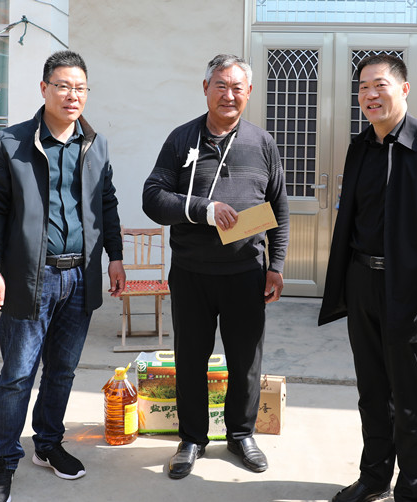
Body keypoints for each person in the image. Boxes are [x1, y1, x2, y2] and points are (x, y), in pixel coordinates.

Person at [0, 50, 126, 502]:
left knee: (62, 370)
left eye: (80, 88)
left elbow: (107, 204)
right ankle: (4, 461)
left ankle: (47, 443)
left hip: (80, 277)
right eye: (63, 86)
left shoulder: (95, 144)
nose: (72, 95)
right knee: (18, 374)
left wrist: (115, 257)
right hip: (30, 277)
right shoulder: (11, 143)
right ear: (44, 89)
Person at [318, 54, 417, 502]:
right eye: (363, 87)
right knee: (371, 391)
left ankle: (414, 490)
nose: (370, 95)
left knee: (410, 397)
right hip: (362, 281)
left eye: (379, 85)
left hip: (411, 290)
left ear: (403, 88)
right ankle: (374, 478)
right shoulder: (360, 147)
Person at [142, 54, 289, 479]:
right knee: (191, 358)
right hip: (192, 273)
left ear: (249, 92)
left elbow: (278, 207)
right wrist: (204, 210)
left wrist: (276, 264)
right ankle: (192, 438)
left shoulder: (262, 142)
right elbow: (153, 197)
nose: (229, 94)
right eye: (220, 85)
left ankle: (241, 435)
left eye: (237, 87)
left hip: (246, 273)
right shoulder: (181, 139)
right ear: (205, 88)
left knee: (246, 360)